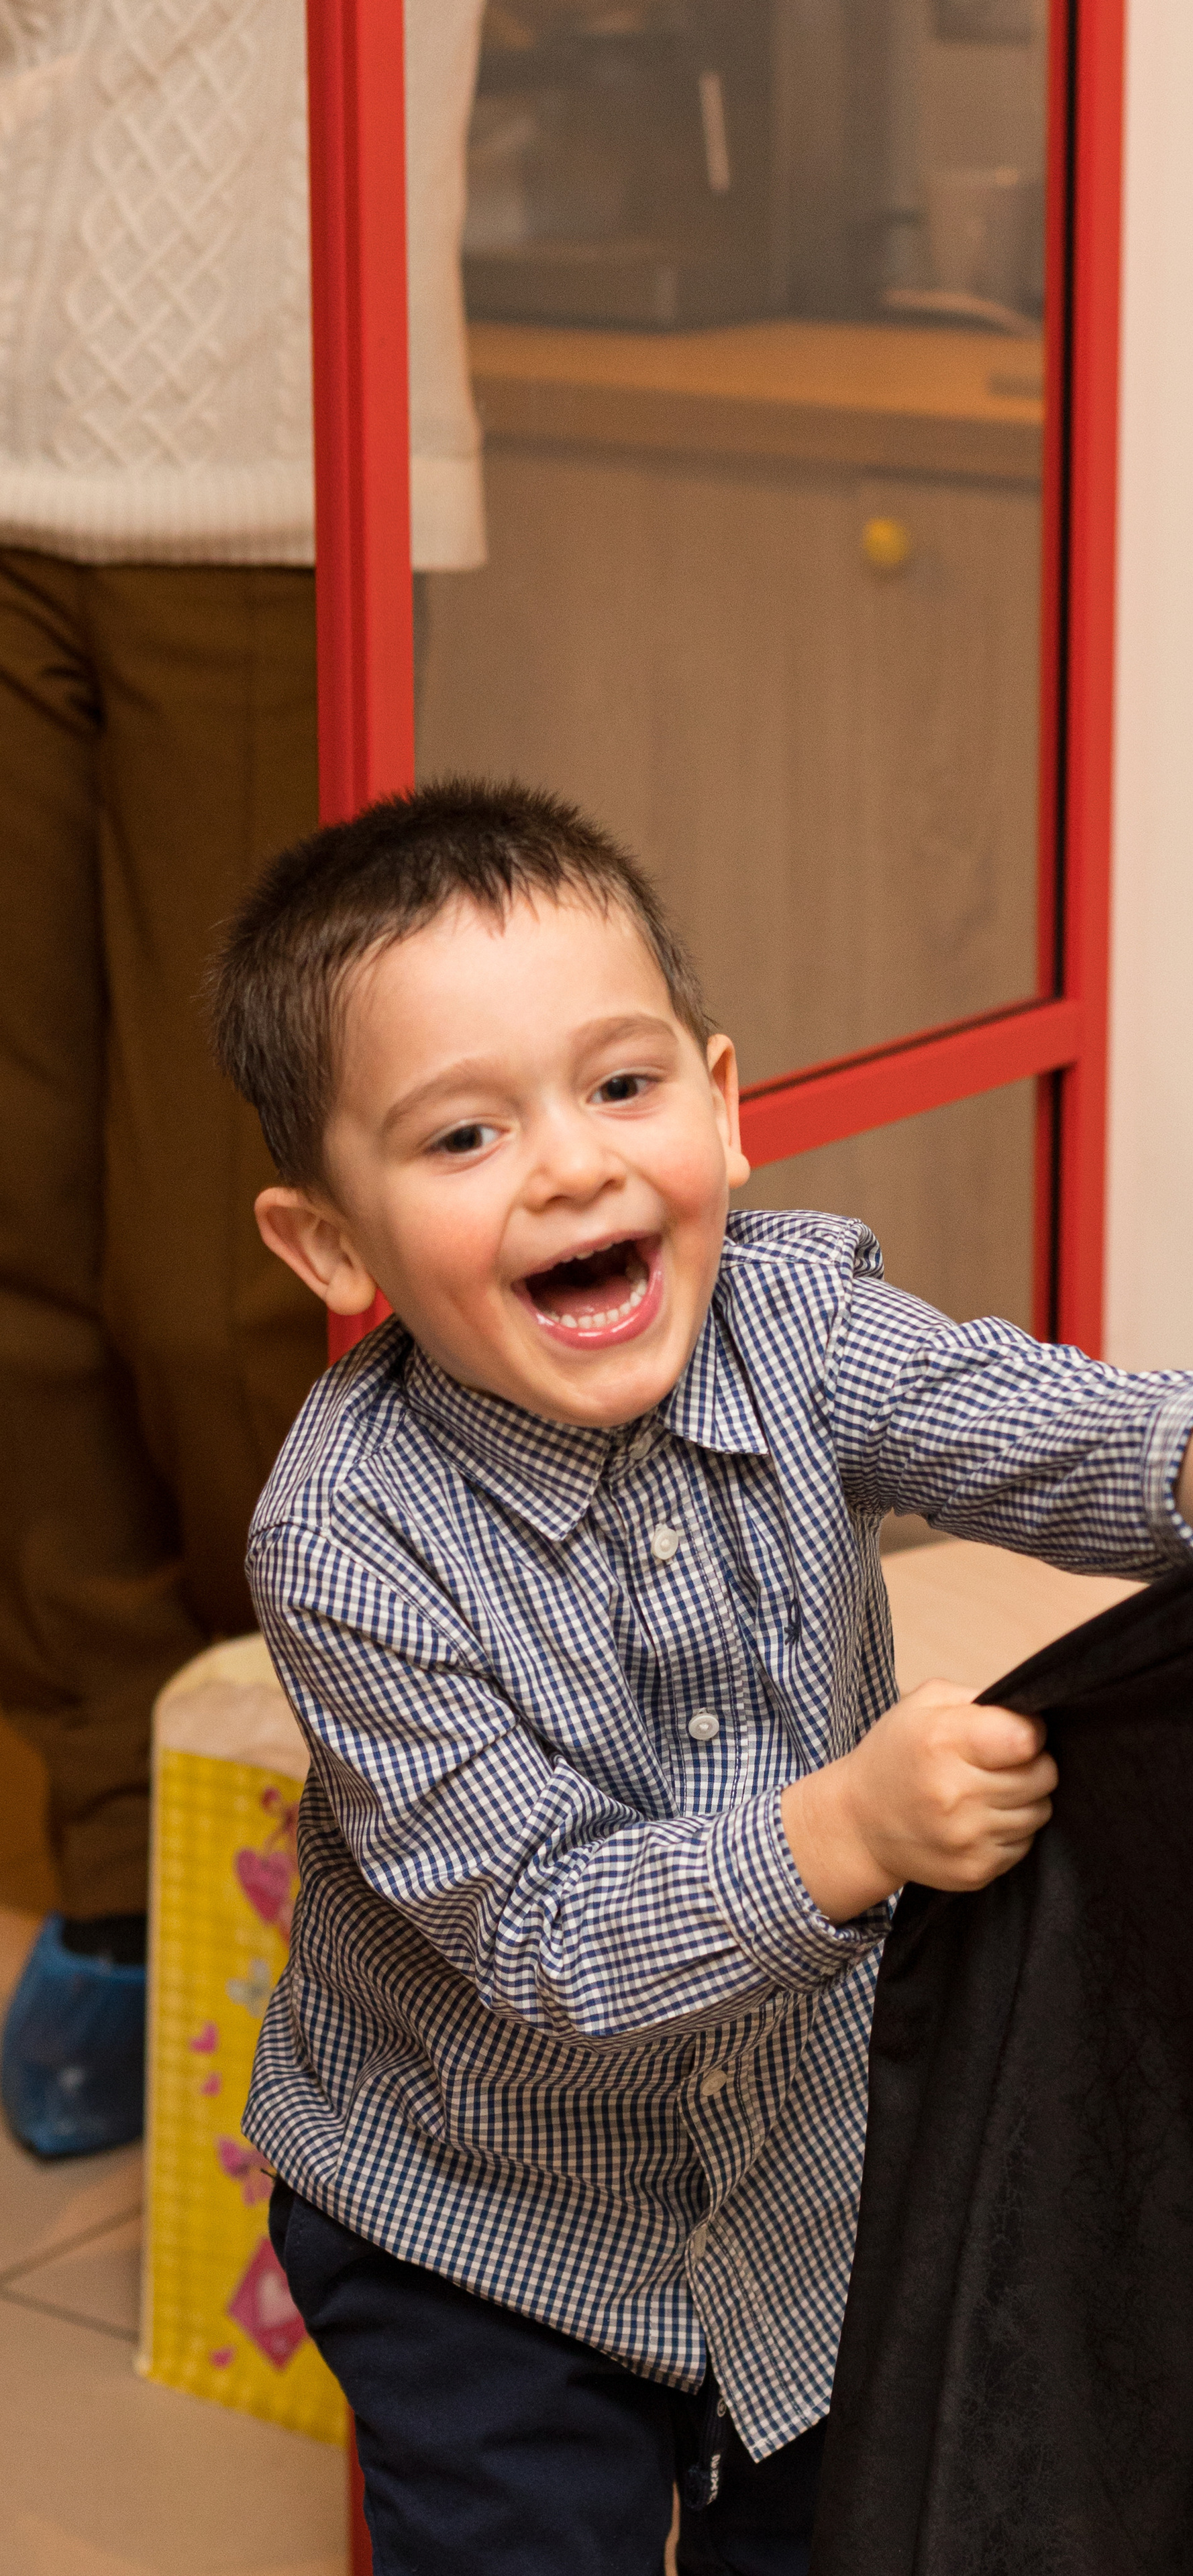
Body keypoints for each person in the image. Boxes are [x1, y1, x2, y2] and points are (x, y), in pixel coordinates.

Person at [209, 779, 1193, 2576]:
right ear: (330, 1246)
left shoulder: (802, 1321)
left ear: (726, 1112)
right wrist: (846, 1831)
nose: (575, 1164)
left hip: (816, 2185)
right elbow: (547, 1931)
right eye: (461, 1140)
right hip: (478, 2232)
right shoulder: (347, 1542)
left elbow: (1024, 1424)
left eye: (621, 1086)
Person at [0, 0, 486, 2159]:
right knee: (14, 1239)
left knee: (238, 1279)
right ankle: (121, 1847)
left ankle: (333, 1845)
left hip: (277, 468)